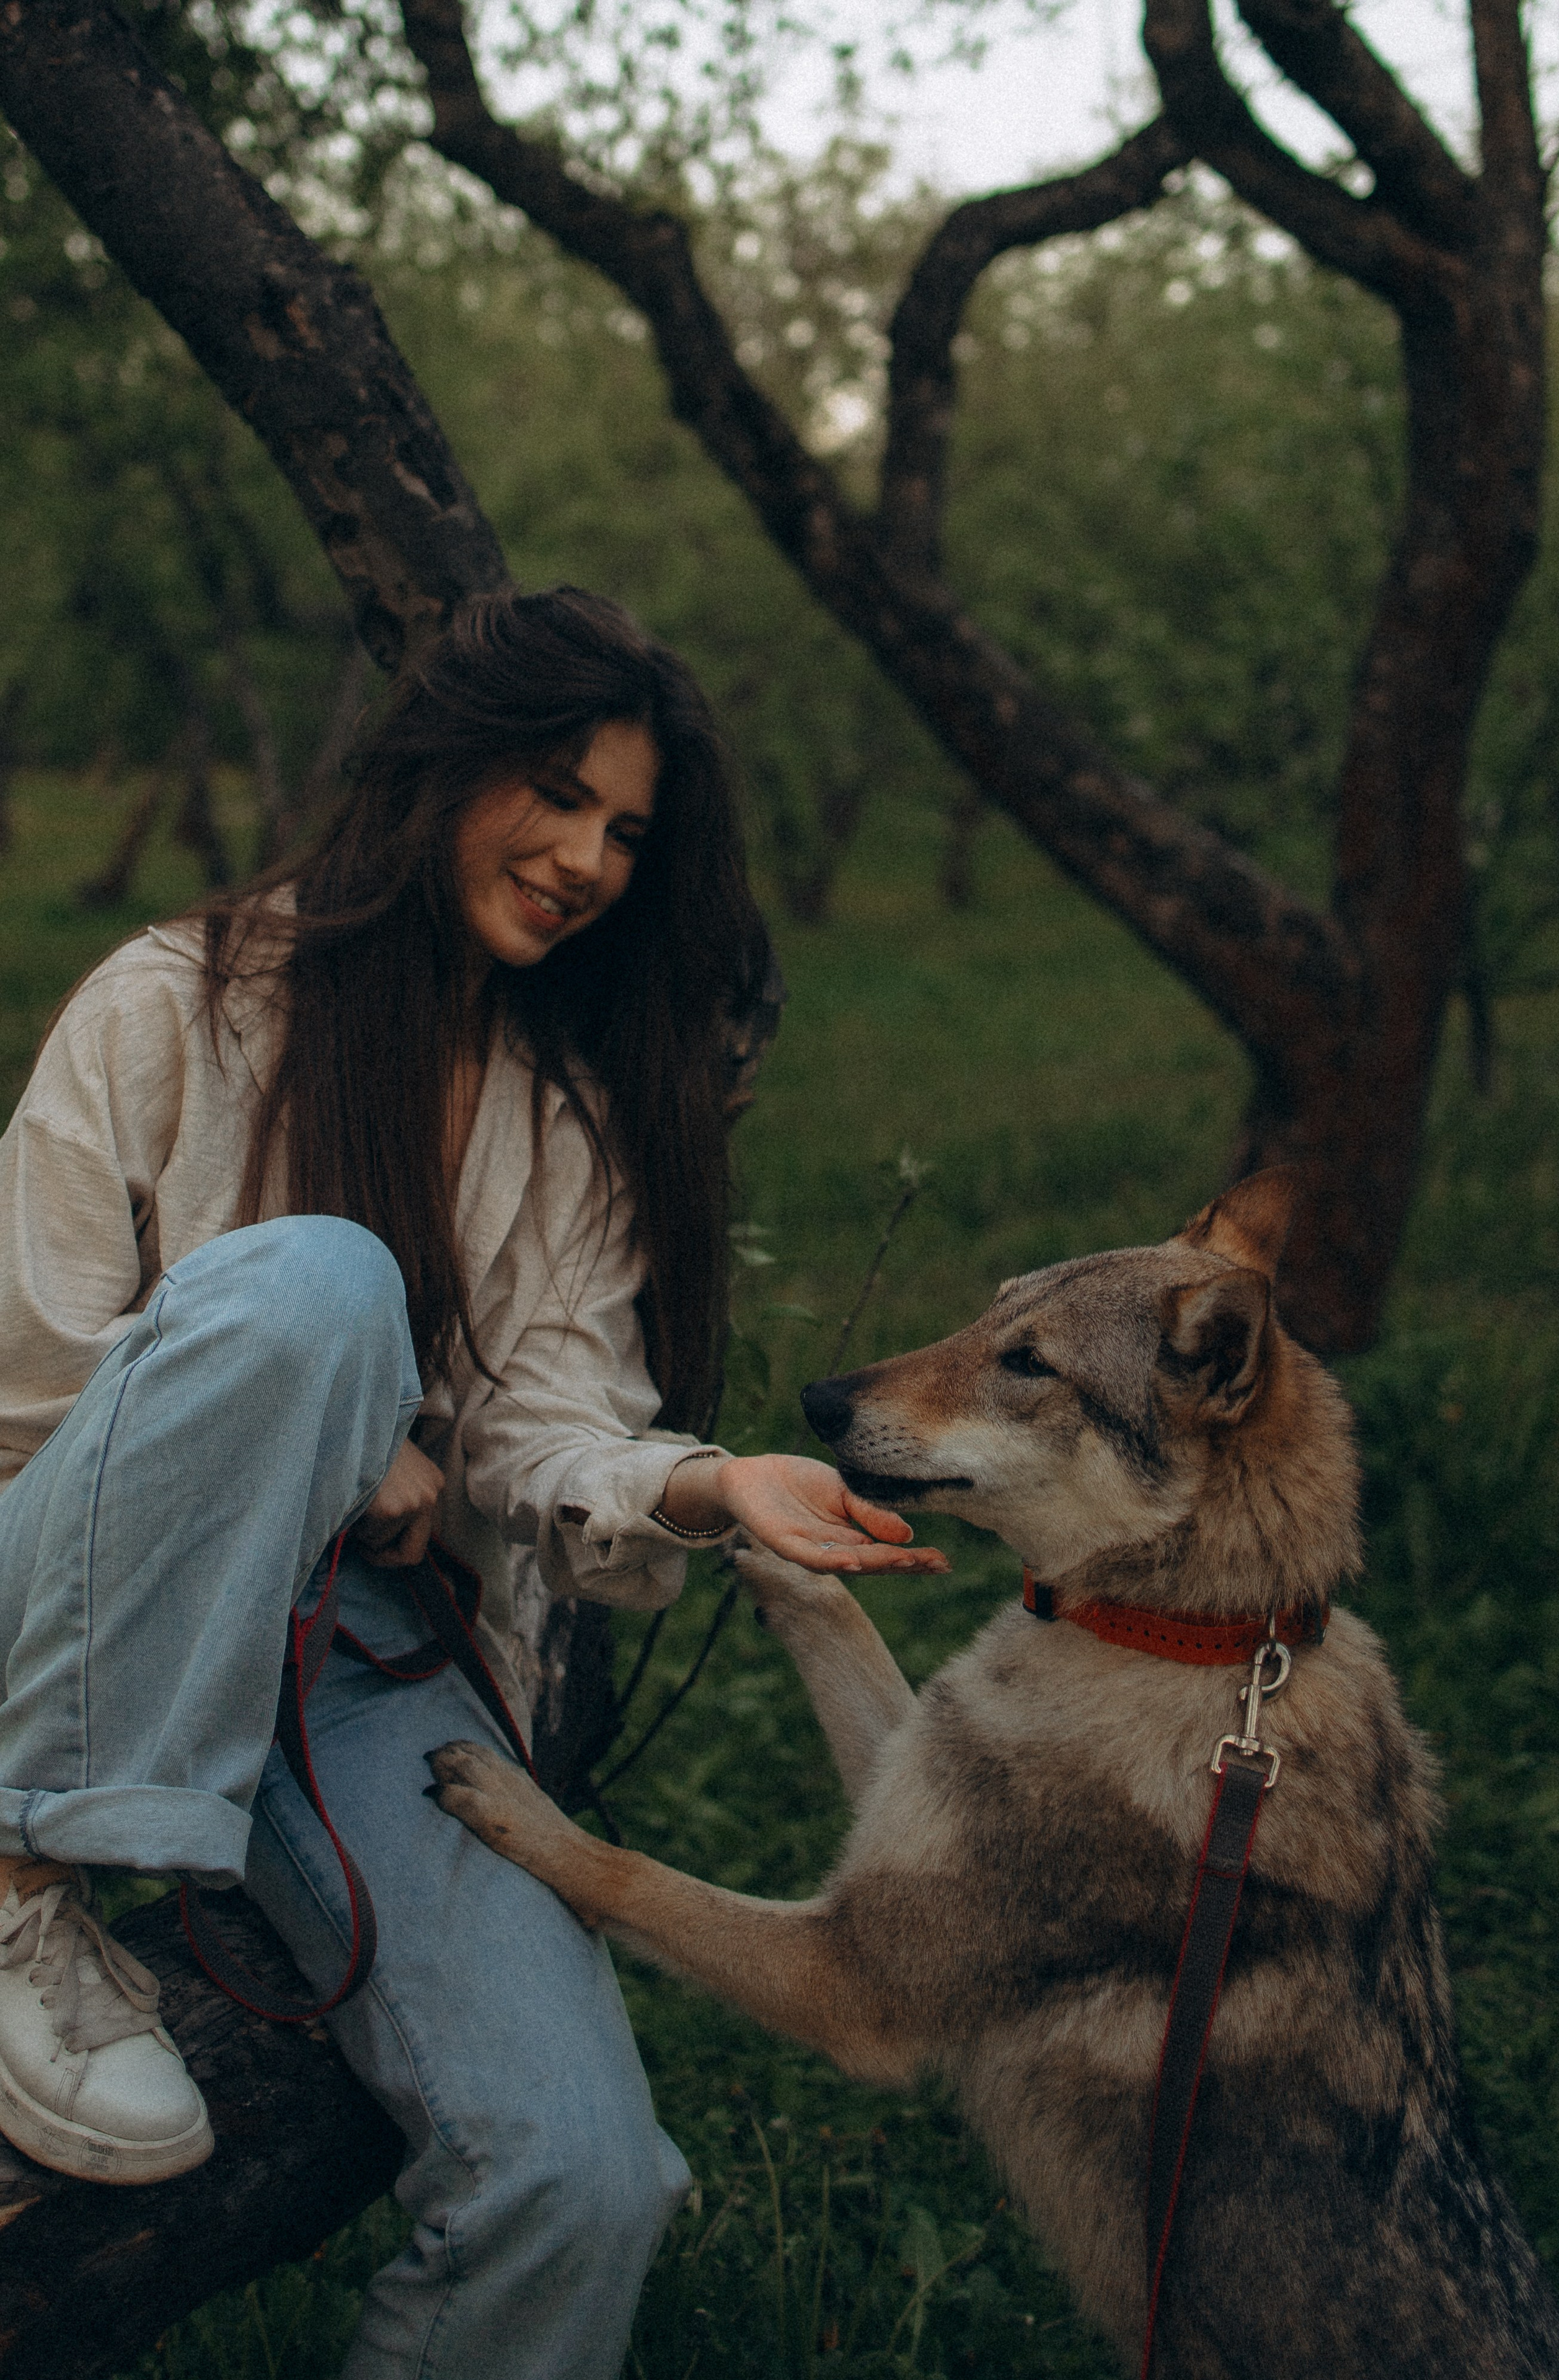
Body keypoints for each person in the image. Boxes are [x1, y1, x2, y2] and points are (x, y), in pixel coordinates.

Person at [0, 588, 947, 2380]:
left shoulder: (553, 1110)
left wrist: (710, 1482)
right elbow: (26, 1391)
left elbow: (543, 1424)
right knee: (323, 1287)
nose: (589, 857)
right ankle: (18, 1889)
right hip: (83, 1585)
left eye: (627, 833)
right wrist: (346, 1434)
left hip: (349, 1652)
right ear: (447, 763)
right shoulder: (174, 1003)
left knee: (586, 2181)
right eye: (559, 794)